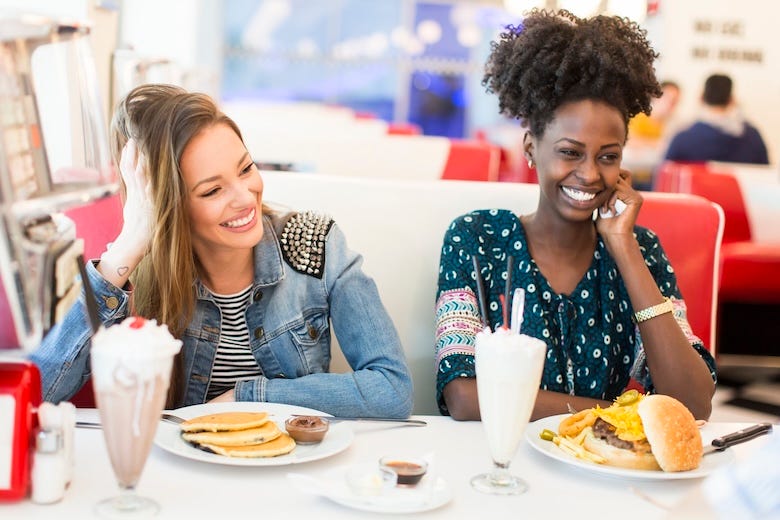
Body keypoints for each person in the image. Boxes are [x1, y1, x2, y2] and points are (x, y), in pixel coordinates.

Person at [30, 84, 413, 418]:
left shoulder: (316, 246)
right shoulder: (140, 271)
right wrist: (130, 244)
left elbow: (392, 389)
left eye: (246, 169)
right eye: (213, 190)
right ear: (173, 206)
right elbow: (37, 394)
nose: (246, 198)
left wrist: (247, 398)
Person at [434, 10, 716, 421]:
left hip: (601, 477)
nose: (588, 174)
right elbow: (464, 396)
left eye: (608, 156)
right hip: (496, 472)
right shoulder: (477, 239)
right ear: (531, 147)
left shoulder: (642, 250)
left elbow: (692, 404)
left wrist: (624, 247)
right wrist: (619, 414)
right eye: (570, 152)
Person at [664, 74, 769, 164]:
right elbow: (764, 174)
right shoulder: (753, 137)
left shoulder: (683, 139)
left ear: (701, 98)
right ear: (731, 100)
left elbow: (664, 178)